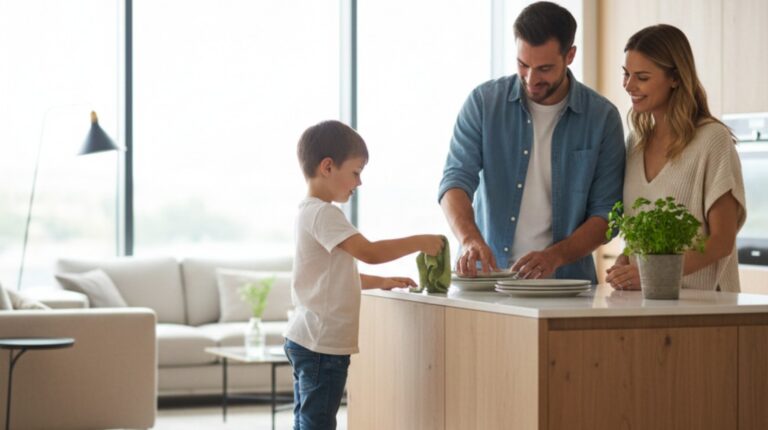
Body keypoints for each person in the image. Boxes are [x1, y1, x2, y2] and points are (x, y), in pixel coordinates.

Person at [438, 1, 625, 282]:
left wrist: (555, 256)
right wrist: (469, 239)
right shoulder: (483, 103)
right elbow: (454, 182)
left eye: (545, 68)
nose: (531, 79)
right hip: (489, 283)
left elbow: (607, 214)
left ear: (570, 55)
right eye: (522, 64)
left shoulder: (602, 118)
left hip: (567, 286)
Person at [284, 119, 444, 429]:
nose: (359, 183)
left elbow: (332, 279)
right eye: (356, 173)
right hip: (322, 345)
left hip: (307, 338)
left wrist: (381, 283)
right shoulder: (324, 213)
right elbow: (369, 252)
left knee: (307, 418)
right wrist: (420, 242)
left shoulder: (308, 212)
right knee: (317, 422)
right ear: (328, 167)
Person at [605, 24, 746, 292]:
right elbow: (641, 235)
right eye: (626, 74)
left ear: (675, 78)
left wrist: (650, 275)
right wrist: (626, 261)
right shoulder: (635, 143)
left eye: (642, 77)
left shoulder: (712, 140)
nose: (629, 85)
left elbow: (722, 241)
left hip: (703, 306)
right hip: (646, 303)